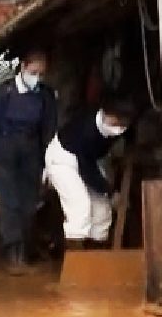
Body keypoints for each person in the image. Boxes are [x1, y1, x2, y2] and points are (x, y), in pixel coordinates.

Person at [0, 48, 58, 274]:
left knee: (28, 203)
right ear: (23, 67)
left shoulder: (45, 95)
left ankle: (26, 252)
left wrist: (48, 161)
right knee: (9, 204)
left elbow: (49, 129)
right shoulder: (4, 93)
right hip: (4, 150)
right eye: (34, 72)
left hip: (31, 151)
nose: (37, 78)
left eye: (41, 74)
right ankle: (11, 254)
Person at [44, 98, 135, 250]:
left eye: (124, 124)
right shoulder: (87, 129)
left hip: (91, 160)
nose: (120, 127)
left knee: (102, 212)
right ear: (107, 115)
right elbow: (87, 170)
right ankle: (76, 260)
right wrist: (110, 192)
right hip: (64, 159)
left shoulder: (121, 125)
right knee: (80, 207)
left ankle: (96, 257)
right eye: (117, 122)